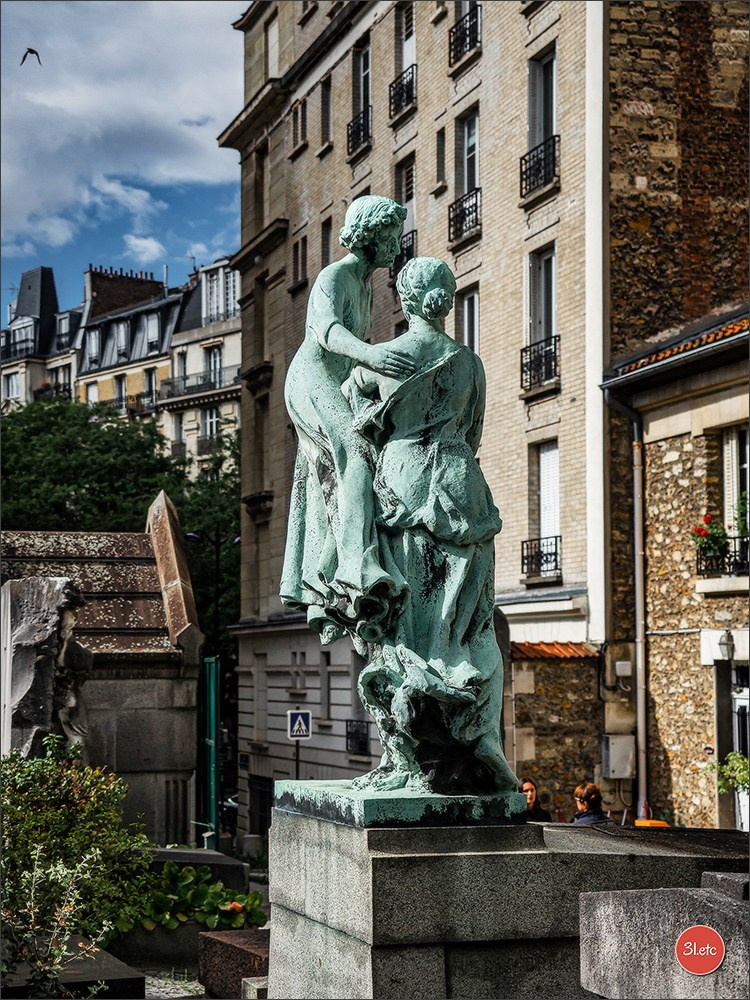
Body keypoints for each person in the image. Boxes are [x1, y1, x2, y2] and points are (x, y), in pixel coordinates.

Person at [342, 257, 518, 795]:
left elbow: (357, 420)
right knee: (467, 622)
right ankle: (472, 733)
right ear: (444, 298)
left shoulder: (384, 357)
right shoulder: (470, 364)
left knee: (405, 623)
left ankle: (410, 756)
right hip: (462, 488)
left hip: (405, 478)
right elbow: (474, 430)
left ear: (406, 300)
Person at [280, 196, 416, 647]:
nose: (397, 247)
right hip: (313, 378)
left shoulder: (366, 282)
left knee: (357, 465)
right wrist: (374, 353)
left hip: (338, 382)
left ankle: (334, 563)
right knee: (355, 452)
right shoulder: (335, 275)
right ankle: (357, 569)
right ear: (371, 236)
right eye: (391, 238)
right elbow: (327, 331)